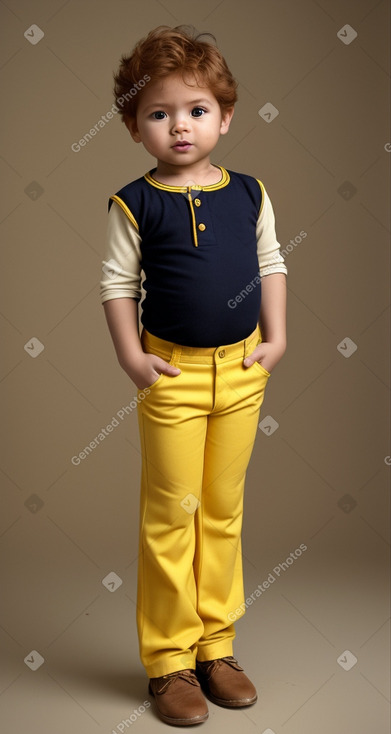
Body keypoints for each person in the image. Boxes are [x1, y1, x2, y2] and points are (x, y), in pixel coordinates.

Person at [100, 24, 287, 727]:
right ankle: (169, 660)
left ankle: (217, 646)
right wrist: (130, 358)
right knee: (171, 516)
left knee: (221, 511)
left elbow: (272, 264)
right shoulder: (134, 202)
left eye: (196, 110)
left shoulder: (249, 193)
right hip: (171, 376)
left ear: (225, 116)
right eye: (159, 113)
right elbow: (117, 285)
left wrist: (276, 340)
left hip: (241, 371)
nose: (180, 125)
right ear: (134, 127)